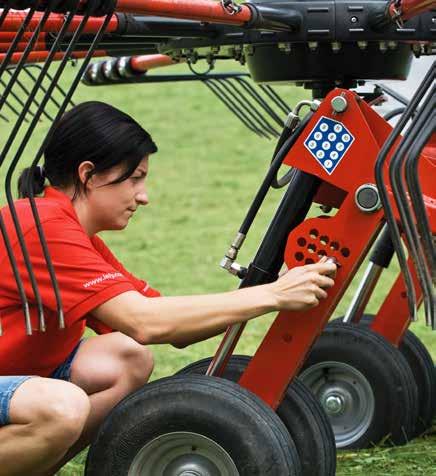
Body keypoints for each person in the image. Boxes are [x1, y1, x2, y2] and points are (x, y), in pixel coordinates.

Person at [0, 101, 337, 476]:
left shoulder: (68, 229)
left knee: (128, 358)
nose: (143, 196)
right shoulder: (39, 226)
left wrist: (274, 288)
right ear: (89, 174)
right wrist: (272, 296)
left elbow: (166, 325)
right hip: (18, 385)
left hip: (19, 378)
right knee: (61, 409)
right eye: (134, 178)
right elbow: (146, 322)